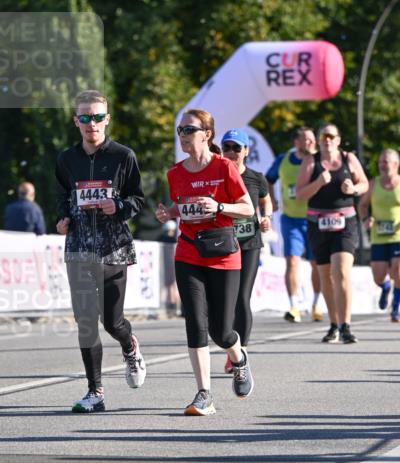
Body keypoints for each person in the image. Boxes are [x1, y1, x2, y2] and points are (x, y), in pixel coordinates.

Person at [156, 109, 255, 415]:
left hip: (224, 255)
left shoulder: (225, 168)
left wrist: (219, 205)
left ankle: (238, 358)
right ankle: (204, 394)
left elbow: (248, 208)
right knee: (196, 324)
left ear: (207, 134)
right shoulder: (175, 173)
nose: (183, 134)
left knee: (221, 331)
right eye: (180, 130)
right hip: (188, 253)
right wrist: (170, 213)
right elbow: (182, 206)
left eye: (189, 129)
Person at [55, 92, 147, 412]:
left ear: (107, 119)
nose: (91, 124)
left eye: (96, 117)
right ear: (76, 121)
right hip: (79, 248)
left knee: (112, 321)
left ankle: (129, 345)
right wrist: (62, 218)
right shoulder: (67, 159)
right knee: (85, 322)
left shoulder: (123, 156)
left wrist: (118, 206)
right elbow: (62, 196)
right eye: (84, 118)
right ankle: (95, 392)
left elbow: (138, 198)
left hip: (114, 249)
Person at [296, 123, 369, 343]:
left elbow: (365, 183)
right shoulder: (311, 161)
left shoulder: (348, 159)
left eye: (331, 136)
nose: (327, 139)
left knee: (342, 271)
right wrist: (318, 182)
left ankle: (346, 325)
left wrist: (354, 189)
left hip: (345, 222)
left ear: (338, 140)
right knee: (325, 275)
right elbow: (299, 194)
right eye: (323, 136)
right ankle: (334, 324)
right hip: (318, 223)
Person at [220, 128, 272, 373]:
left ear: (246, 151)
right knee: (224, 299)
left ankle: (240, 352)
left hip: (249, 243)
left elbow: (265, 198)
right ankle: (233, 346)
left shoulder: (255, 177)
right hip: (223, 243)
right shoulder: (218, 175)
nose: (231, 153)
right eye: (226, 147)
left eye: (236, 148)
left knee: (241, 297)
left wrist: (266, 217)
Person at [266, 126, 323, 323]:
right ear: (296, 142)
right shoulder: (283, 160)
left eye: (312, 139)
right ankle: (294, 305)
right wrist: (272, 199)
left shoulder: (319, 160)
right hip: (291, 219)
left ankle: (316, 303)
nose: (311, 142)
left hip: (315, 219)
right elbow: (268, 179)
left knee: (317, 264)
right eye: (306, 139)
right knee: (292, 261)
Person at [359, 149, 400, 323]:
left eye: (386, 162)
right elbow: (362, 205)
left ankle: (396, 309)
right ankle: (385, 287)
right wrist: (366, 219)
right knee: (377, 276)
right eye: (381, 162)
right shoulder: (373, 184)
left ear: (396, 164)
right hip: (378, 236)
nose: (383, 165)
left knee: (399, 269)